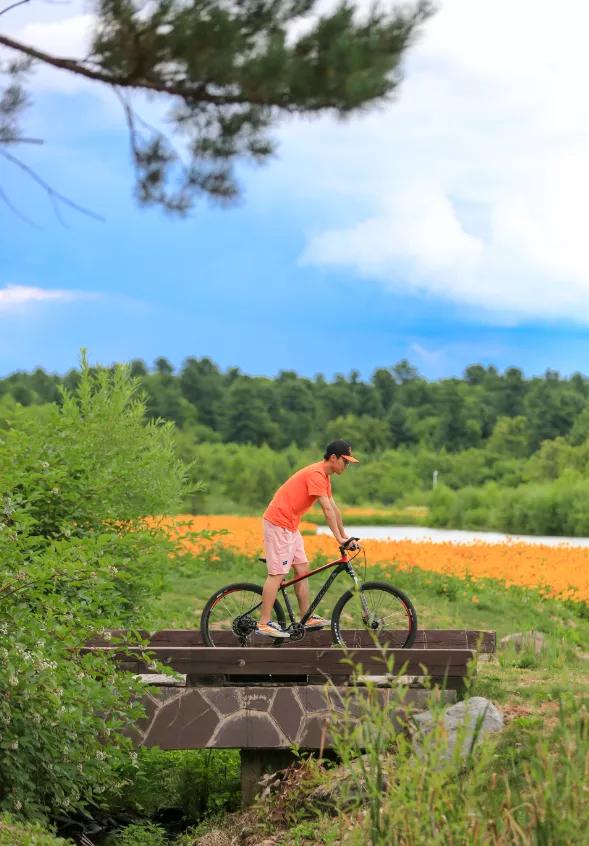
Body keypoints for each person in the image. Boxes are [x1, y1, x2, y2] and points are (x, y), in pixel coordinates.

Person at [257, 439, 359, 638]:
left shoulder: (325, 477)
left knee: (302, 569)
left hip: (291, 526)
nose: (346, 465)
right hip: (278, 523)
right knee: (277, 574)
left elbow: (334, 509)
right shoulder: (316, 474)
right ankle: (263, 623)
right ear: (333, 458)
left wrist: (345, 536)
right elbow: (326, 510)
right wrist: (338, 538)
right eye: (345, 461)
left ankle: (306, 617)